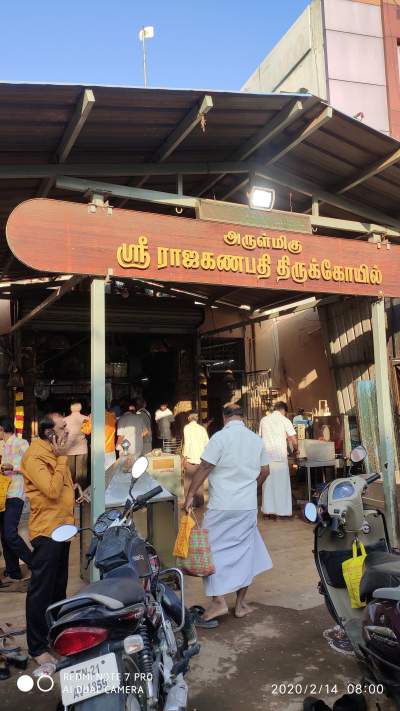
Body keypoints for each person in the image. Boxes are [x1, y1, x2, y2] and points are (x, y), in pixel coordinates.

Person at [184, 403, 272, 626]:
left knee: (209, 551)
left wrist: (190, 494)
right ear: (242, 417)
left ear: (225, 417)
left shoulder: (220, 438)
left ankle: (218, 601)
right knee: (246, 551)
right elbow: (265, 471)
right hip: (247, 506)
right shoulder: (255, 439)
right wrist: (252, 487)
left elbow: (204, 467)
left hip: (222, 505)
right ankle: (240, 605)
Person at [22, 413, 75, 664]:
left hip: (63, 529)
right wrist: (63, 458)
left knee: (58, 588)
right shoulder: (35, 456)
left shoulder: (53, 452)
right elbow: (52, 491)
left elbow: (62, 489)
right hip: (47, 531)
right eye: (62, 427)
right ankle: (36, 647)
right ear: (48, 433)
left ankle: (54, 636)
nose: (67, 431)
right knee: (41, 591)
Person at [0, 417, 32, 583]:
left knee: (11, 534)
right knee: (5, 536)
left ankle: (35, 563)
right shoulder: (0, 445)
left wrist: (14, 468)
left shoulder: (21, 443)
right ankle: (14, 571)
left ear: (1, 429)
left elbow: (30, 465)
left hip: (15, 492)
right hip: (1, 495)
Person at [259, 401, 298, 519]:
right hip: (280, 456)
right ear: (283, 411)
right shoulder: (285, 420)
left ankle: (268, 512)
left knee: (268, 485)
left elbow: (260, 438)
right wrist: (297, 449)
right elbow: (293, 438)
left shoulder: (264, 420)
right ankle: (283, 512)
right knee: (282, 485)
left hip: (266, 457)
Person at [182, 412, 209, 508]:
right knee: (199, 481)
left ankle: (190, 503)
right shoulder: (202, 429)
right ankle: (200, 502)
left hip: (191, 458)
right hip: (201, 459)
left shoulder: (187, 428)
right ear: (196, 419)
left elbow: (187, 443)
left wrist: (184, 457)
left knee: (189, 482)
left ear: (189, 418)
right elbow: (207, 444)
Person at [64, 402, 89, 487]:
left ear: (71, 409)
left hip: (69, 448)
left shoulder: (65, 420)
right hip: (82, 448)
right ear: (80, 408)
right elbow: (88, 432)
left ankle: (71, 493)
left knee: (70, 474)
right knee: (81, 474)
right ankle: (81, 494)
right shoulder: (86, 419)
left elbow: (63, 434)